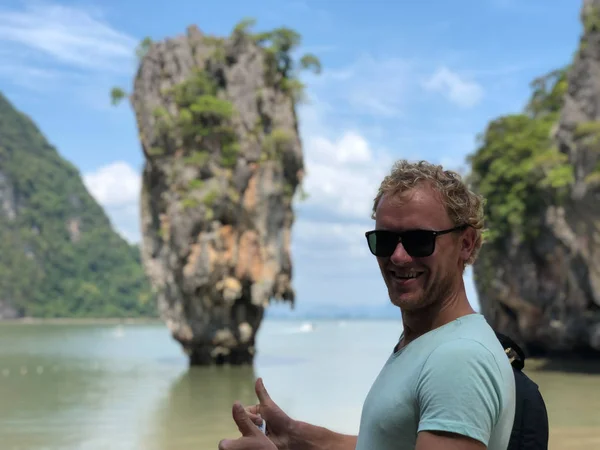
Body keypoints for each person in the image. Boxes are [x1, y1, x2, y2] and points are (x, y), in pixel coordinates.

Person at [218, 160, 517, 450]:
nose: (399, 256)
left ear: (465, 243)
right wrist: (299, 439)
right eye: (385, 241)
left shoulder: (459, 360)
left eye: (419, 240)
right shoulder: (424, 341)